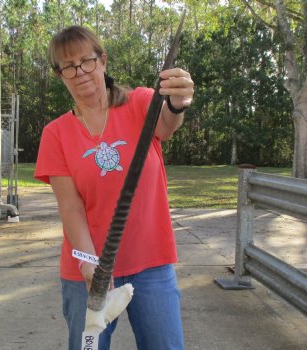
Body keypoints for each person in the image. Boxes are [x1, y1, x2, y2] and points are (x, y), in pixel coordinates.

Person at [34, 25, 194, 350]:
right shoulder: (56, 133)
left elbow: (167, 122)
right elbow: (70, 207)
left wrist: (178, 102)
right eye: (68, 66)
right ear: (60, 74)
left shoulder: (139, 103)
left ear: (103, 61)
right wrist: (87, 262)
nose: (80, 72)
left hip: (151, 265)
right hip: (88, 273)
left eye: (86, 61)